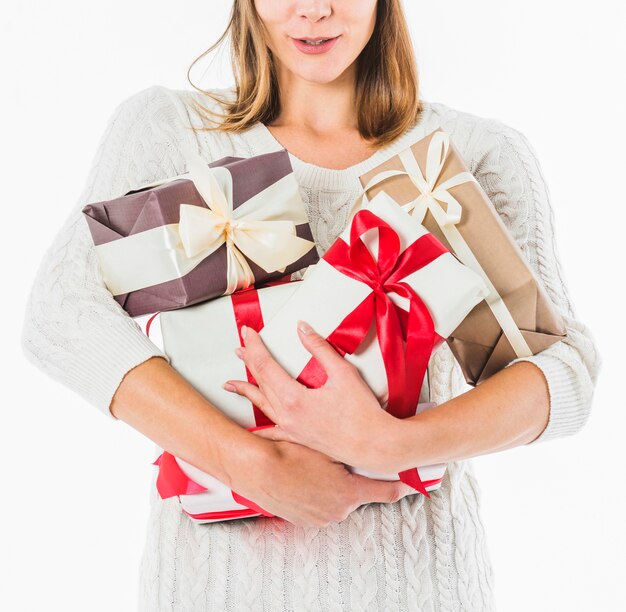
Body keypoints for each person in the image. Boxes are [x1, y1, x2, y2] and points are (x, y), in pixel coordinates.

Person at [21, 0, 601, 610]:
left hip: (420, 589)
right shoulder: (172, 130)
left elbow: (565, 374)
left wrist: (384, 445)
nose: (314, 10)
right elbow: (62, 312)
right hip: (215, 591)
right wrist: (249, 464)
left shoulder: (473, 153)